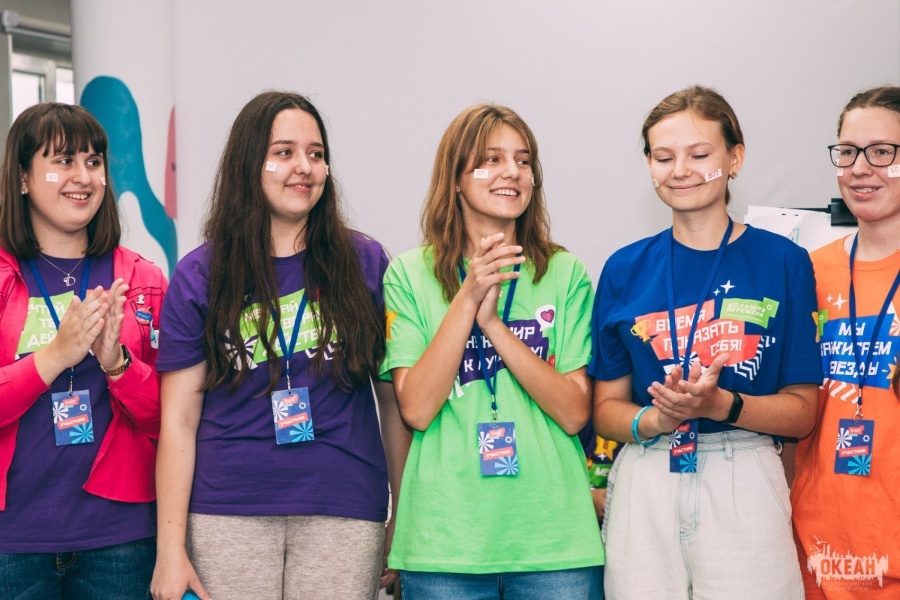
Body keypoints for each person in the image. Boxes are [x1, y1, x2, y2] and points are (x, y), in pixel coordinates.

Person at [150, 91, 409, 600]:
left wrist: (404, 514)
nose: (304, 167)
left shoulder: (365, 262)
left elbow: (393, 403)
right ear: (250, 163)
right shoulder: (200, 274)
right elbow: (178, 419)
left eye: (316, 154)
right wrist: (170, 549)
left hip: (343, 506)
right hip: (227, 510)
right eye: (284, 152)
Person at [590, 85, 822, 599]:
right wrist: (656, 420)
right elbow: (604, 409)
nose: (680, 170)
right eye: (663, 157)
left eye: (699, 154)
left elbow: (804, 412)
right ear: (649, 166)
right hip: (647, 473)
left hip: (744, 474)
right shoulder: (623, 268)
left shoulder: (783, 261)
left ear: (734, 159)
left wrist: (722, 405)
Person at [382, 104, 604, 599]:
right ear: (456, 179)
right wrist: (467, 298)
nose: (512, 172)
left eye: (523, 161)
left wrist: (494, 327)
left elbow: (574, 412)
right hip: (445, 542)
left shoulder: (563, 273)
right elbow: (416, 408)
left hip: (555, 540)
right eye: (491, 159)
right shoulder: (409, 275)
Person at [0, 103, 166, 598]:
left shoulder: (141, 279)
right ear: (23, 178)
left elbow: (174, 418)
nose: (83, 177)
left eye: (93, 162)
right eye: (63, 161)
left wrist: (117, 364)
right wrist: (54, 356)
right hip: (12, 541)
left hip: (120, 540)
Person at [791, 86, 900, 597]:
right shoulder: (807, 272)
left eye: (882, 152)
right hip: (818, 549)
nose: (860, 168)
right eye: (848, 151)